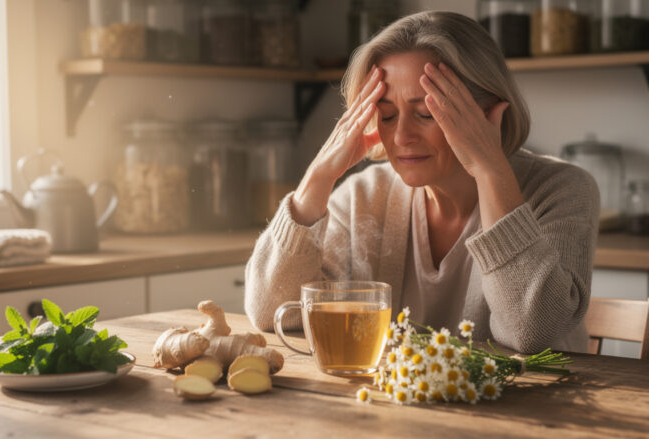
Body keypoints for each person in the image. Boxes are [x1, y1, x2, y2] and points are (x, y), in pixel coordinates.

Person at [244, 11, 599, 354]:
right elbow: (271, 311)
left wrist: (491, 170)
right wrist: (318, 178)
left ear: (489, 112)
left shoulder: (562, 190)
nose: (401, 136)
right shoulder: (363, 196)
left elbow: (532, 332)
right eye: (386, 115)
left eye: (427, 113)